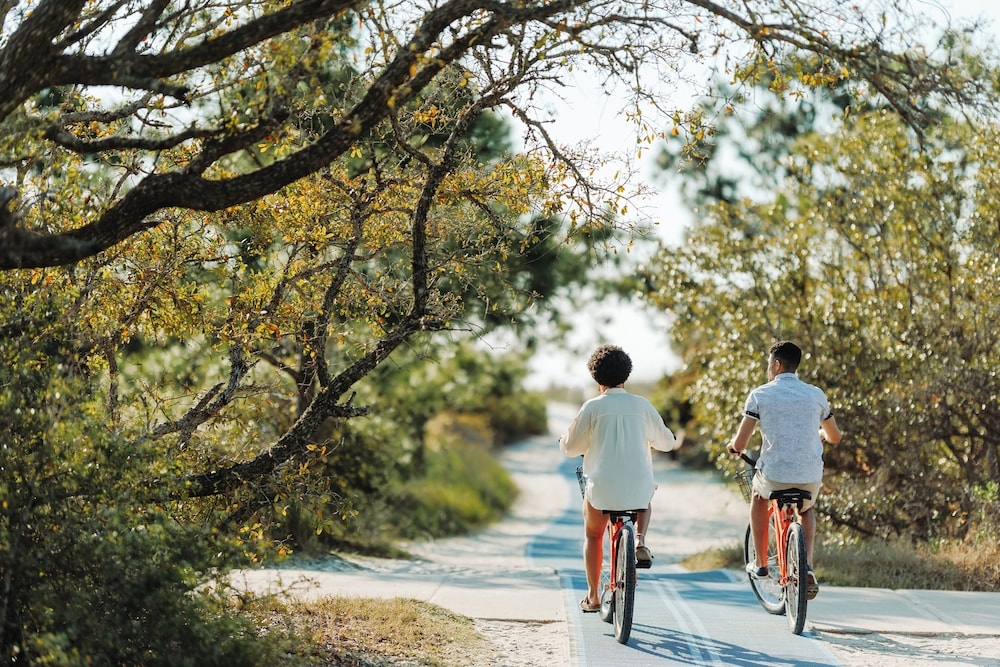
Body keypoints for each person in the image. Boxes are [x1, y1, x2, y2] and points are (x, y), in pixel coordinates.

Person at [559, 344, 678, 613]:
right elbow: (667, 443)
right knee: (645, 495)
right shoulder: (642, 405)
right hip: (637, 490)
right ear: (627, 374)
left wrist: (565, 441)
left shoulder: (592, 407)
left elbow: (571, 447)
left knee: (592, 535)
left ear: (596, 377)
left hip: (602, 489)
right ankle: (640, 540)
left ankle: (593, 597)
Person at [726, 340, 842, 600]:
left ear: (777, 365)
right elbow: (835, 436)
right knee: (806, 509)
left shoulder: (760, 394)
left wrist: (733, 447)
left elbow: (741, 443)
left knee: (758, 496)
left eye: (769, 364)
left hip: (775, 475)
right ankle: (807, 565)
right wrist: (822, 434)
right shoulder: (816, 394)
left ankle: (760, 563)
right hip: (809, 476)